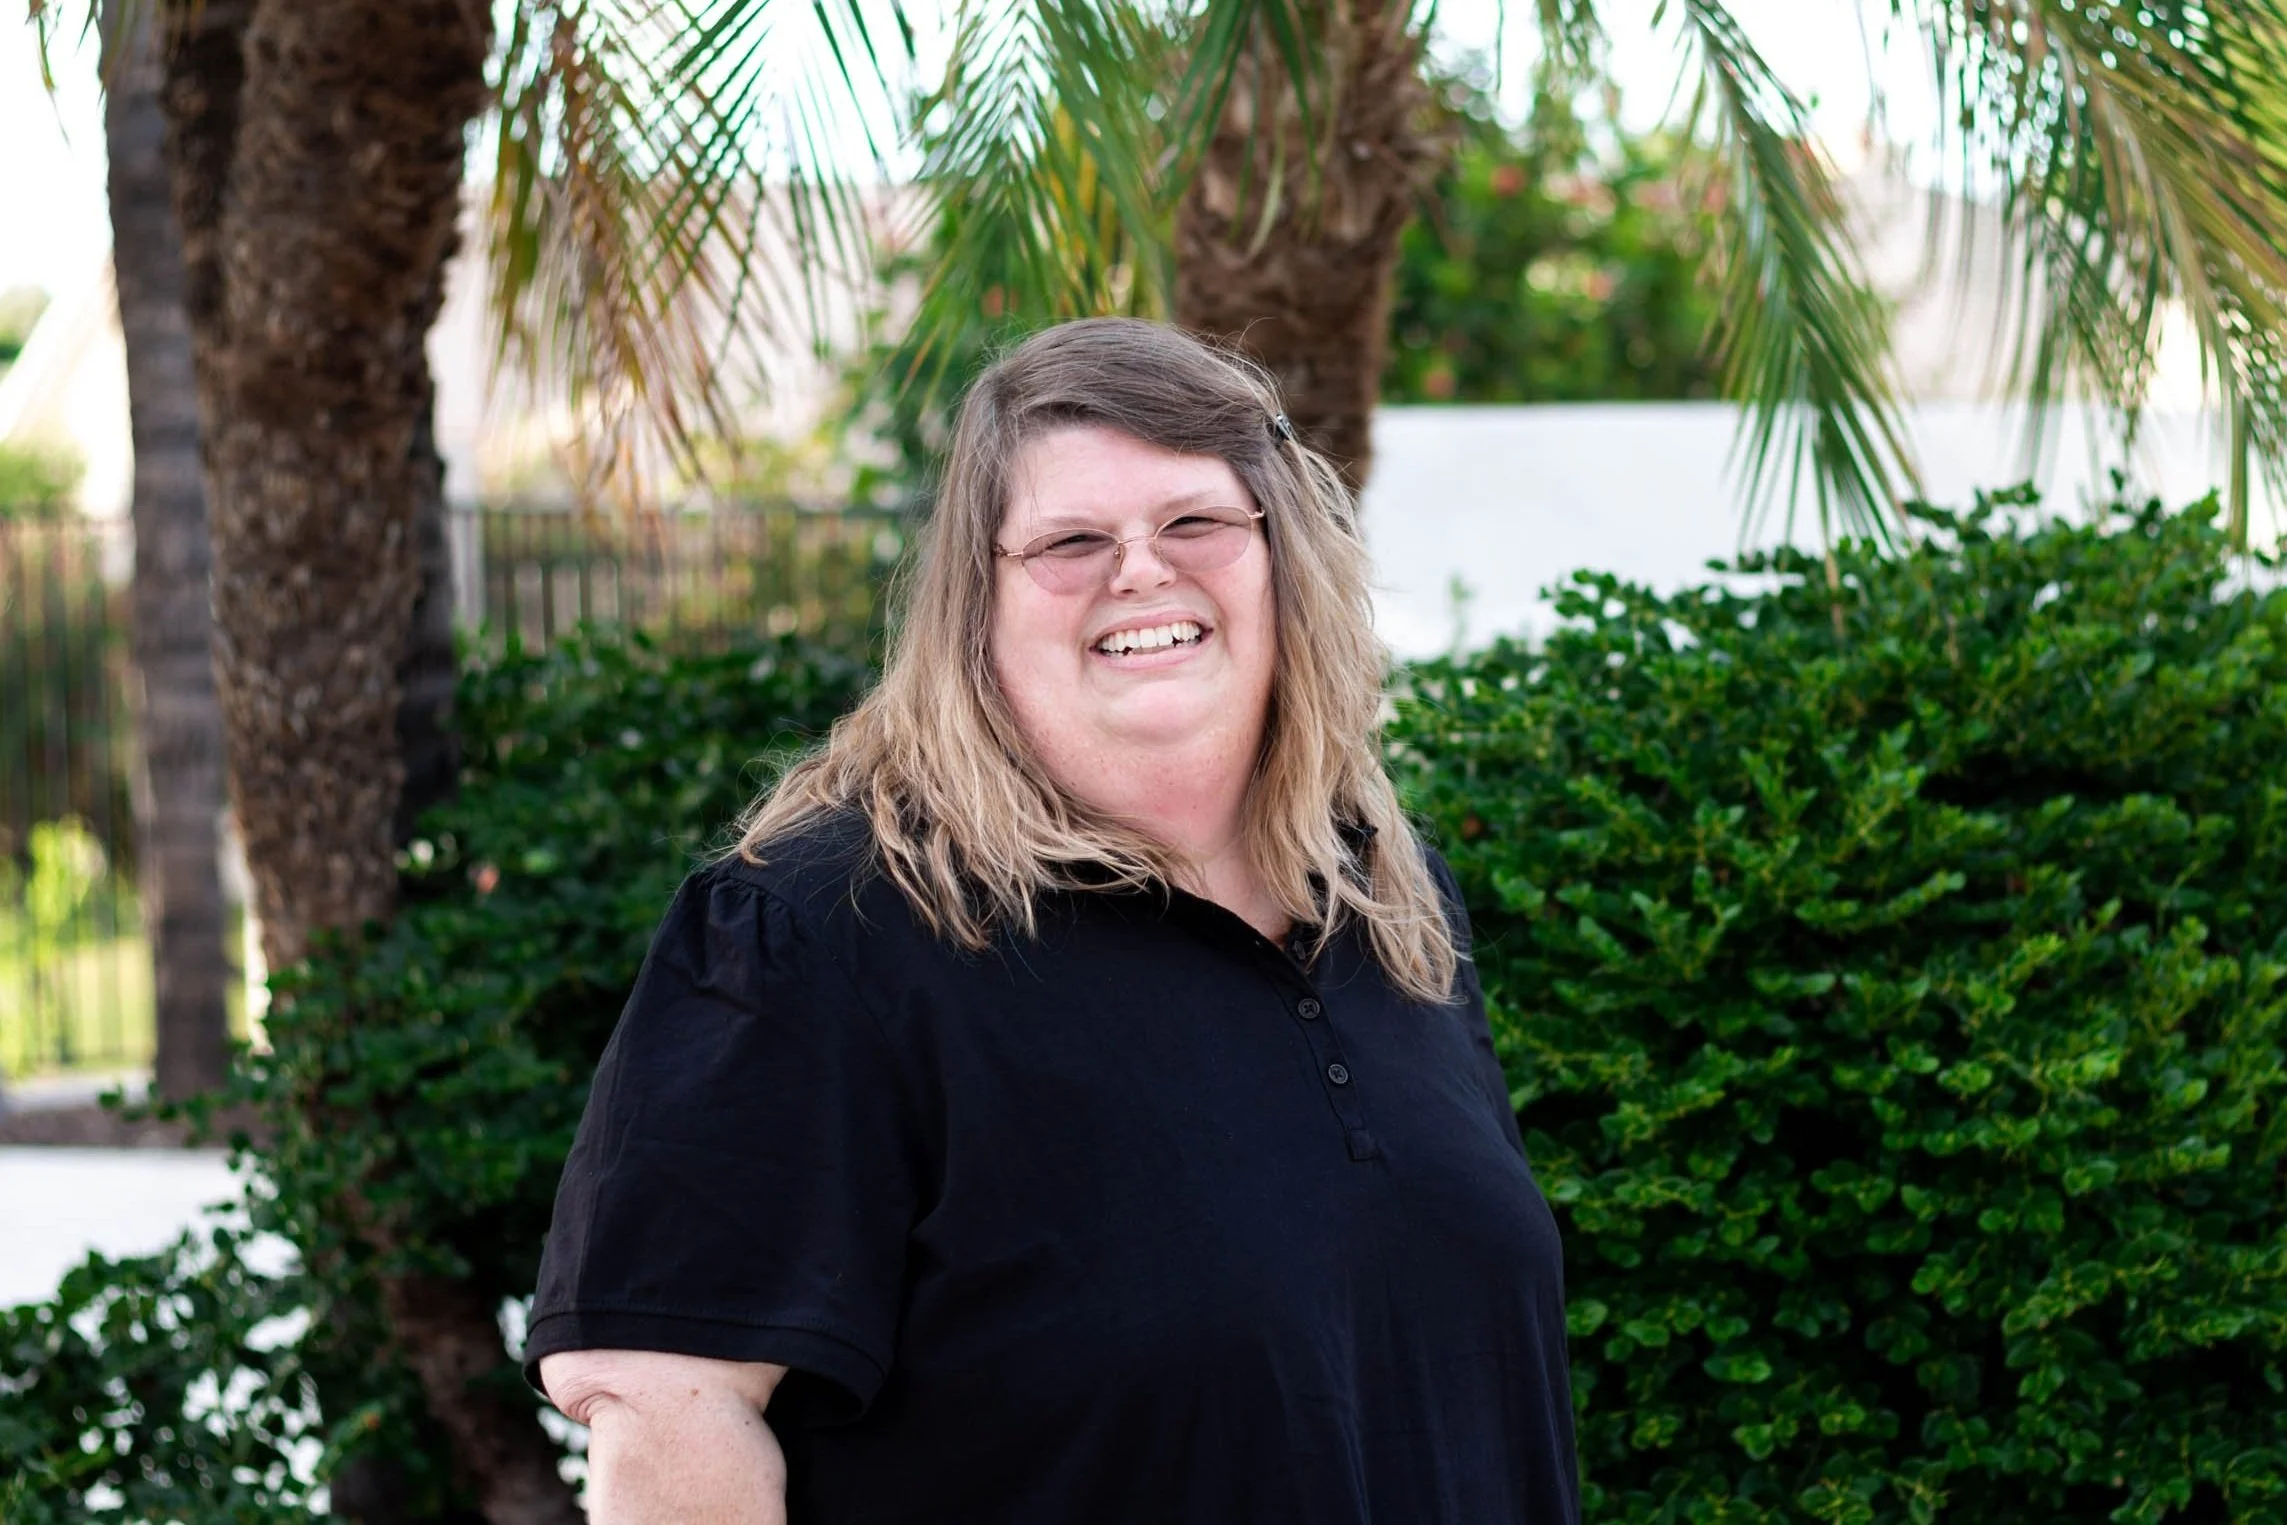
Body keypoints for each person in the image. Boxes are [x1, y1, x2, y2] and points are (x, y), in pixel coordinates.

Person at [525, 317, 1579, 1523]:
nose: (1141, 571)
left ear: (1285, 559)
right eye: (1072, 542)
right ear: (977, 609)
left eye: (1195, 522)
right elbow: (668, 1407)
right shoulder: (823, 930)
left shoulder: (1389, 901)